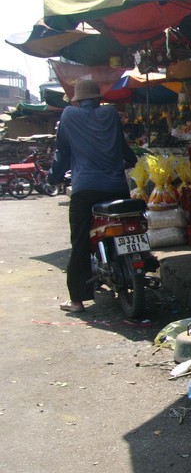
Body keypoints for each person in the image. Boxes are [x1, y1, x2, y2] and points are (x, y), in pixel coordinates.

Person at [48, 79, 138, 313]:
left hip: (85, 188)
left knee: (79, 240)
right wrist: (131, 160)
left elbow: (62, 154)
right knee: (128, 223)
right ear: (99, 99)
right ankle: (136, 262)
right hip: (117, 187)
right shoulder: (110, 113)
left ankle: (77, 301)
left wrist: (53, 177)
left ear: (77, 101)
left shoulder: (68, 116)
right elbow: (122, 146)